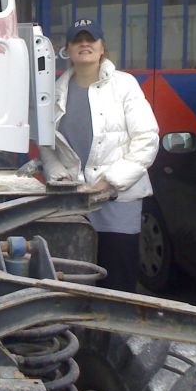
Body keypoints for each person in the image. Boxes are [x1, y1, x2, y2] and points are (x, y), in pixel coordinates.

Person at [40, 18, 159, 292]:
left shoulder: (124, 85)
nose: (84, 44)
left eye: (91, 39)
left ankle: (117, 322)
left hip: (118, 199)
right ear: (67, 49)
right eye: (77, 40)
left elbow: (146, 139)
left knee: (118, 280)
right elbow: (46, 145)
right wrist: (60, 178)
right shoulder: (55, 91)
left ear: (102, 47)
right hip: (74, 202)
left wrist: (110, 182)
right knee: (76, 280)